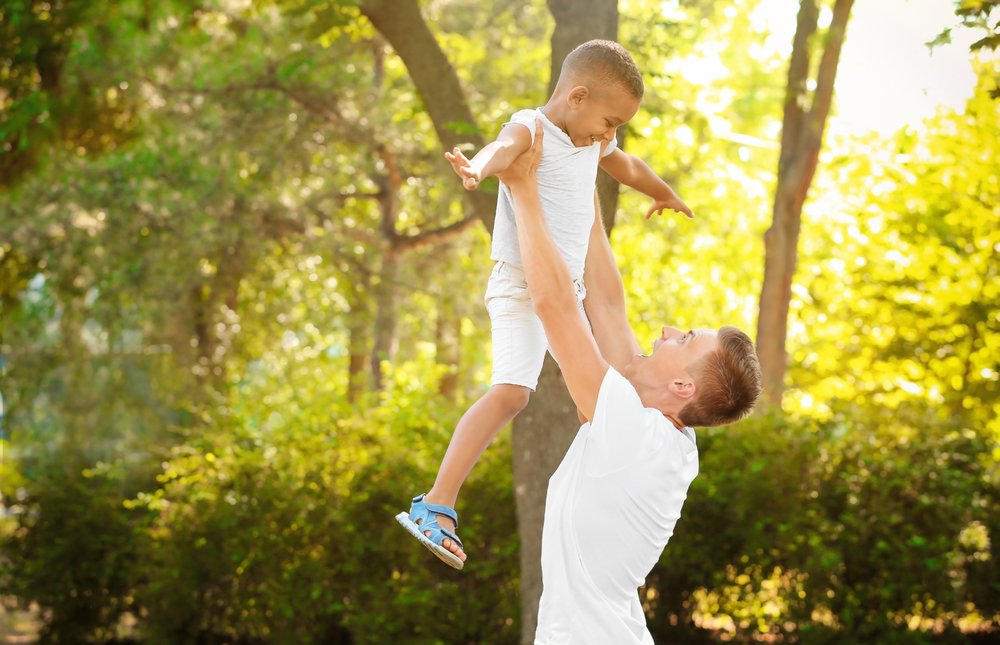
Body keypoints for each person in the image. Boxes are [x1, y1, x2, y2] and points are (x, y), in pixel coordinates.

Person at [396, 39, 693, 570]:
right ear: (577, 96)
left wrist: (663, 192)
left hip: (564, 292)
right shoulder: (533, 127)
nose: (611, 134)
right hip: (519, 288)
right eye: (609, 120)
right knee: (512, 394)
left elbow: (628, 165)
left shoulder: (592, 144)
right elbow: (504, 148)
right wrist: (479, 168)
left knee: (598, 404)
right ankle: (435, 503)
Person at [500, 120, 762, 644]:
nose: (666, 331)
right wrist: (584, 182)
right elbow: (607, 303)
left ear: (684, 388)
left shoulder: (637, 435)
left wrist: (523, 188)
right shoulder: (661, 427)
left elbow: (557, 305)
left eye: (684, 339)